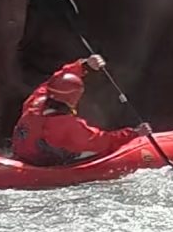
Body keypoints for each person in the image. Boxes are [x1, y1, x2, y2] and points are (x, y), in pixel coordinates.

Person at [11, 56, 146, 166]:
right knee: (98, 151)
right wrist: (134, 133)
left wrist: (84, 66)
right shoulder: (69, 126)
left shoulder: (34, 102)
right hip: (42, 164)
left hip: (21, 155)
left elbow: (54, 81)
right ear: (74, 98)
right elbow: (103, 141)